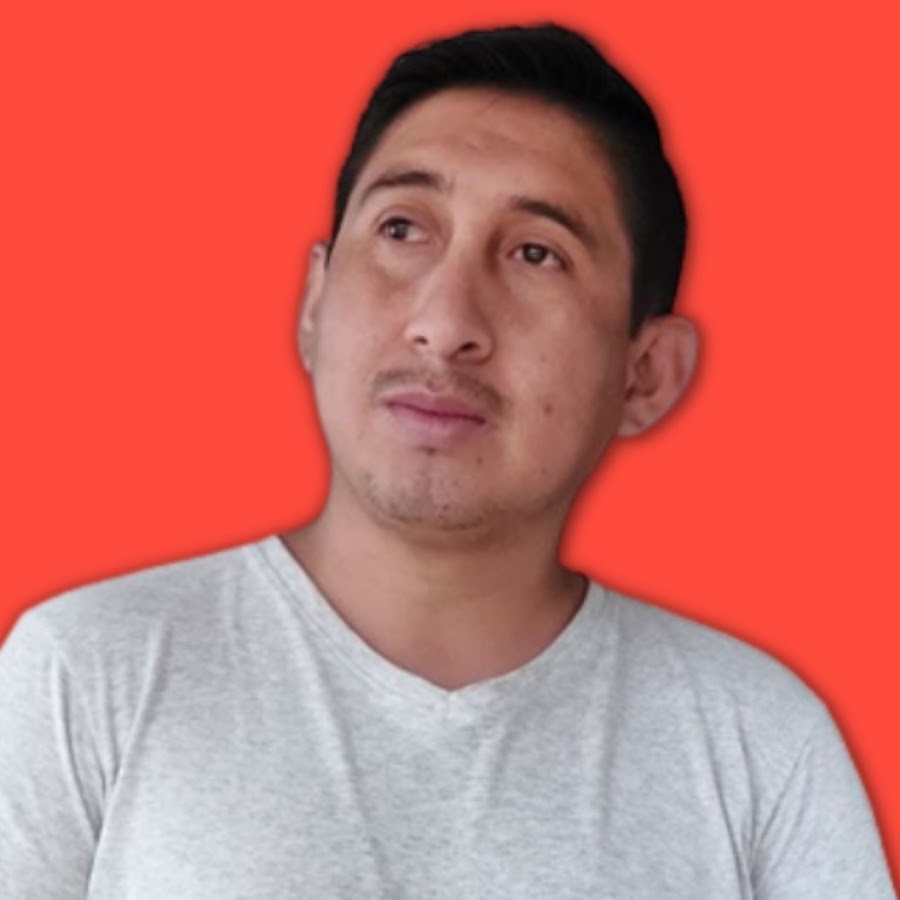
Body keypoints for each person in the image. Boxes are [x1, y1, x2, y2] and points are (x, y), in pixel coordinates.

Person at [0, 22, 894, 900]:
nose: (445, 322)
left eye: (536, 253)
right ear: (314, 303)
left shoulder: (757, 743)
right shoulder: (87, 674)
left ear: (646, 373)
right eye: (402, 229)